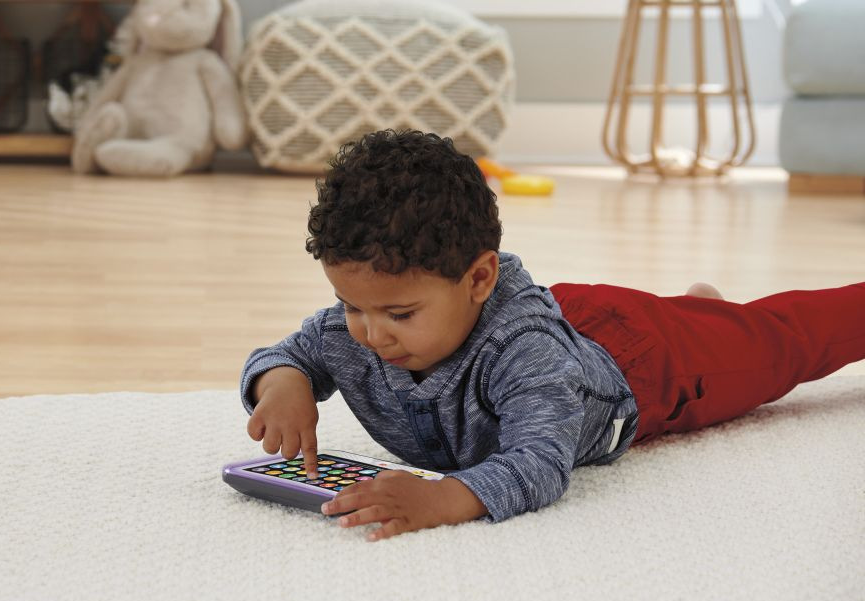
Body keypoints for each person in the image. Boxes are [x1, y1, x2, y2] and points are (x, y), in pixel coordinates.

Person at [240, 129, 865, 542]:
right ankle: (700, 312)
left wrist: (443, 500)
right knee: (704, 323)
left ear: (479, 278)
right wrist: (283, 383)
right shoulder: (359, 324)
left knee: (782, 341)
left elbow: (540, 462)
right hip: (567, 321)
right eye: (351, 304)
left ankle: (702, 321)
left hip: (644, 362)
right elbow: (291, 351)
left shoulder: (528, 356)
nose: (370, 333)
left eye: (400, 315)